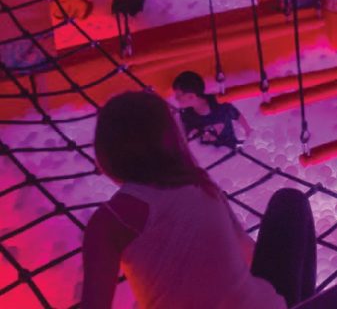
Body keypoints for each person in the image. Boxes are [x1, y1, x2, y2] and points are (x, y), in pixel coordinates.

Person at [81, 91, 316, 308]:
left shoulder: (108, 221)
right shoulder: (199, 183)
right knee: (290, 201)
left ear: (106, 152)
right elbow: (247, 252)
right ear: (171, 137)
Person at [172, 70, 251, 149]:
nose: (176, 98)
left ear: (191, 96)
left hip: (231, 149)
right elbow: (187, 139)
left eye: (178, 95)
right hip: (207, 153)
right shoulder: (186, 115)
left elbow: (237, 115)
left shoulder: (219, 104)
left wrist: (248, 131)